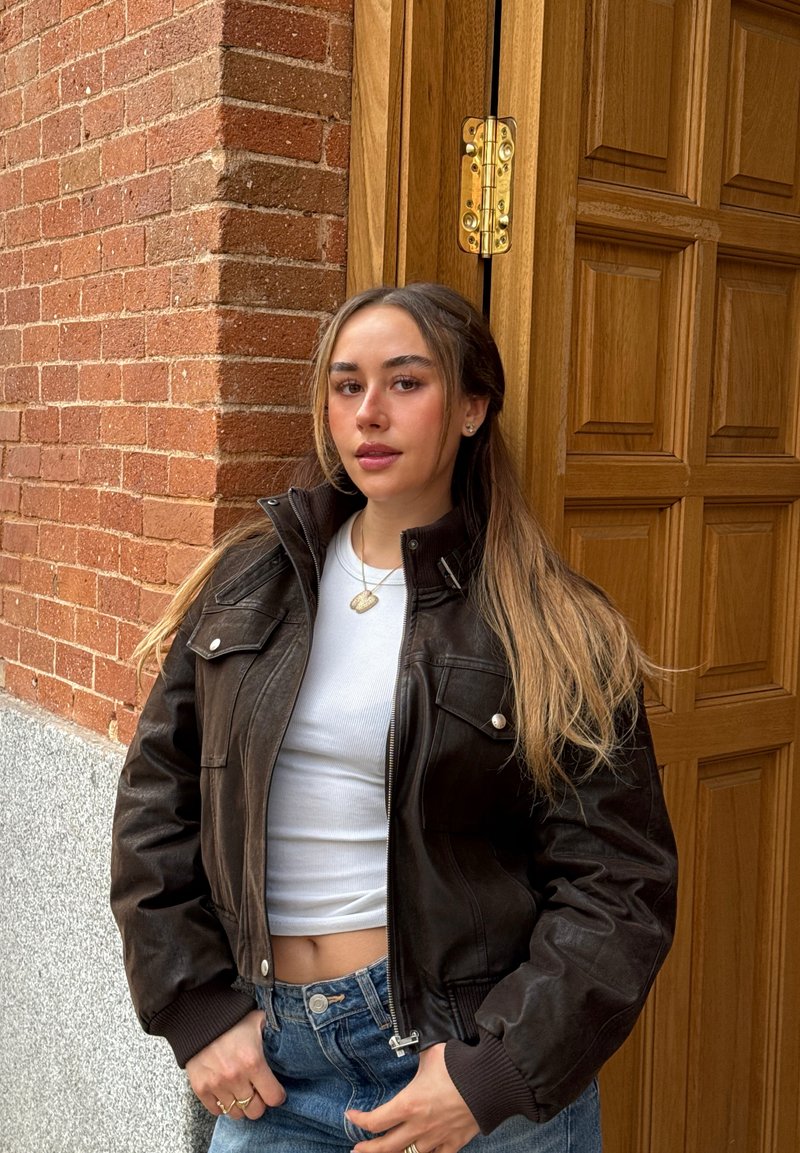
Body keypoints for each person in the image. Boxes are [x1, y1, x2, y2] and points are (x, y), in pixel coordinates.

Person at [111, 283, 677, 1153]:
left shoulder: (551, 622)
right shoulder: (252, 582)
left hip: (462, 1068)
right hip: (274, 1066)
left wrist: (494, 1071)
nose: (369, 412)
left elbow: (620, 881)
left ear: (473, 407)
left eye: (405, 382)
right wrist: (194, 1008)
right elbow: (156, 802)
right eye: (347, 385)